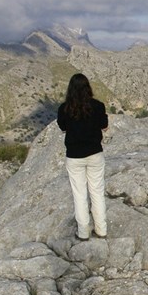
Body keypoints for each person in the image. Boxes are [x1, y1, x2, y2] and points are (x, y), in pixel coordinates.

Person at [57, 73, 108, 240]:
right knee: (97, 192)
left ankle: (83, 232)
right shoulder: (98, 106)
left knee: (79, 194)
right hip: (95, 154)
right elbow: (105, 126)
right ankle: (101, 230)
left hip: (74, 156)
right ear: (88, 88)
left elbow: (63, 128)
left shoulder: (64, 109)